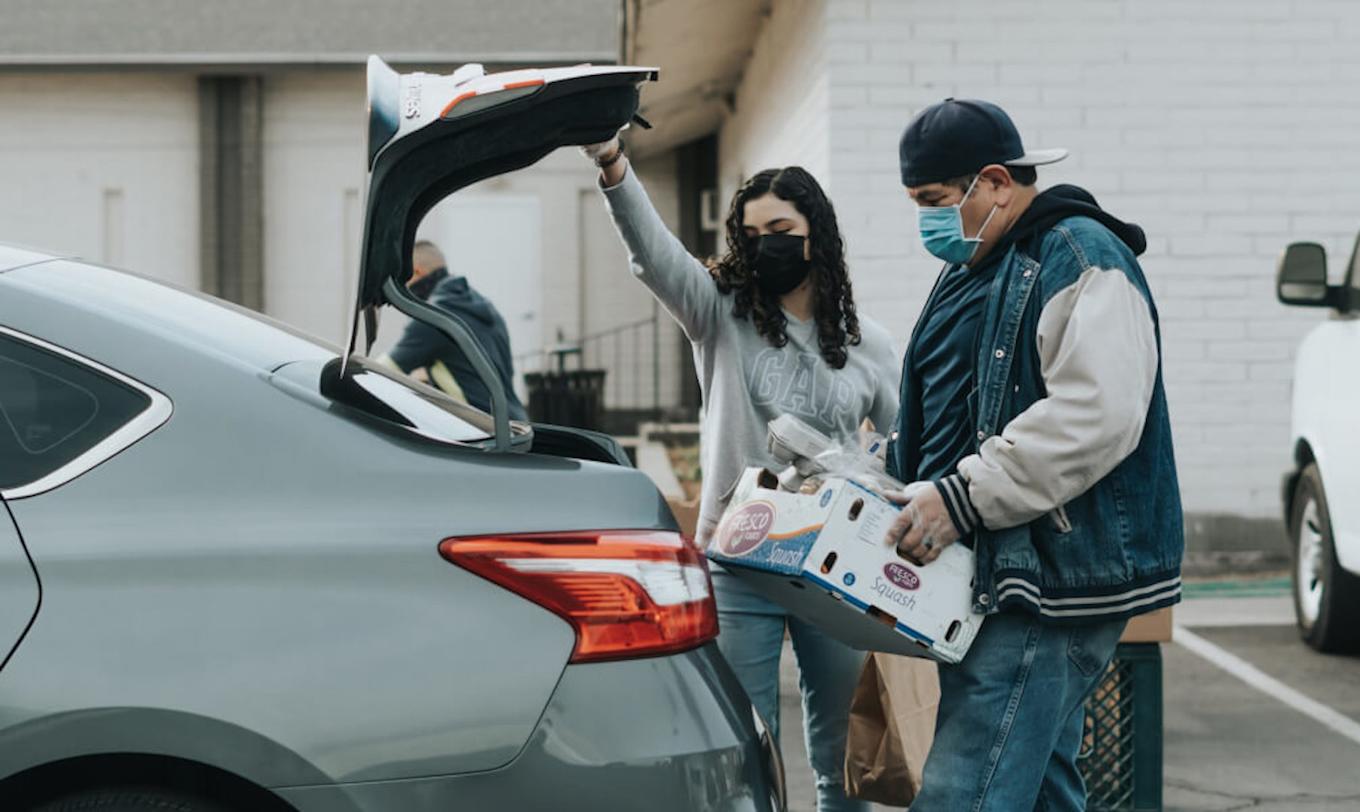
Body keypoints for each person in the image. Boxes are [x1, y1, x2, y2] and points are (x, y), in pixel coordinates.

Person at [882, 99, 1184, 811]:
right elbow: (960, 401)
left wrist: (959, 497)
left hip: (1046, 581)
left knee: (967, 790)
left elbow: (1098, 413)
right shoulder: (982, 264)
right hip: (1003, 570)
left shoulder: (1078, 256)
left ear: (992, 182)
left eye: (932, 201)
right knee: (1042, 784)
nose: (925, 220)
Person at [582, 134, 899, 812]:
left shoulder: (870, 343)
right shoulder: (718, 314)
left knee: (842, 747)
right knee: (742, 747)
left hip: (834, 566)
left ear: (817, 235)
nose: (765, 246)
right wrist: (613, 165)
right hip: (740, 558)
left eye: (780, 230)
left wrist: (873, 477)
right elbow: (652, 256)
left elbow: (908, 444)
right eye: (751, 234)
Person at [380, 240, 527, 421]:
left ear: (416, 272)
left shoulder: (433, 318)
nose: (404, 289)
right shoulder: (483, 306)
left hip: (483, 434)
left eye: (404, 281)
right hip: (515, 424)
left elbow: (380, 373)